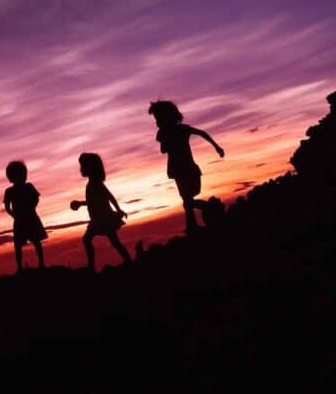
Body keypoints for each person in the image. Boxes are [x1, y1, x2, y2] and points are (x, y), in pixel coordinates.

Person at [148, 100, 225, 234]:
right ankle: (193, 224)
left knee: (187, 200)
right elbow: (202, 133)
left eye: (158, 118)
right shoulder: (174, 131)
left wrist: (217, 147)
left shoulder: (174, 131)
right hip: (181, 169)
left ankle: (207, 209)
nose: (157, 121)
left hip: (183, 168)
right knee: (186, 200)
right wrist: (217, 147)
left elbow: (163, 150)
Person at [70, 153, 132, 271]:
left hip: (102, 219)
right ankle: (127, 260)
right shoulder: (93, 183)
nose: (80, 169)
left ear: (90, 167)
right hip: (101, 219)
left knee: (87, 240)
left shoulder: (95, 183)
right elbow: (94, 201)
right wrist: (80, 204)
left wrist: (118, 209)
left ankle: (91, 266)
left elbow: (109, 196)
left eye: (82, 166)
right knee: (114, 242)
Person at [4, 161, 47, 273]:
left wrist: (31, 208)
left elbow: (36, 198)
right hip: (21, 219)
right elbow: (7, 207)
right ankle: (20, 268)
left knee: (35, 241)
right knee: (19, 245)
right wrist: (14, 215)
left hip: (29, 218)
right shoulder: (10, 191)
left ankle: (41, 264)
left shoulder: (28, 187)